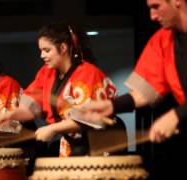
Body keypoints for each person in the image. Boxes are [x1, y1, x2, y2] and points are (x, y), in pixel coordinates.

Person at [0, 23, 118, 157]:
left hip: (99, 143)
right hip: (70, 143)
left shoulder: (87, 73)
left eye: (47, 50)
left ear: (63, 48)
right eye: (41, 50)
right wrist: (10, 115)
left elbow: (89, 119)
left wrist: (52, 128)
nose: (42, 55)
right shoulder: (46, 73)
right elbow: (31, 105)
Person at [80, 0, 187, 143]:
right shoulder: (163, 40)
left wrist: (177, 114)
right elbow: (147, 90)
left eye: (156, 6)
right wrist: (111, 106)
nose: (152, 16)